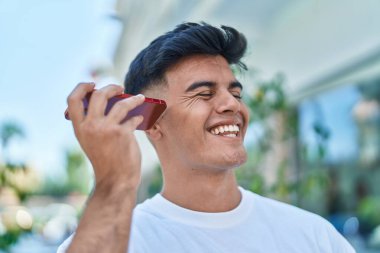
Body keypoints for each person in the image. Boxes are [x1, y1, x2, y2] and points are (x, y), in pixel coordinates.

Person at [58, 22, 355, 253]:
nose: (233, 105)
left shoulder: (314, 236)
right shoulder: (116, 240)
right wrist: (114, 180)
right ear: (151, 122)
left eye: (236, 93)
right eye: (204, 93)